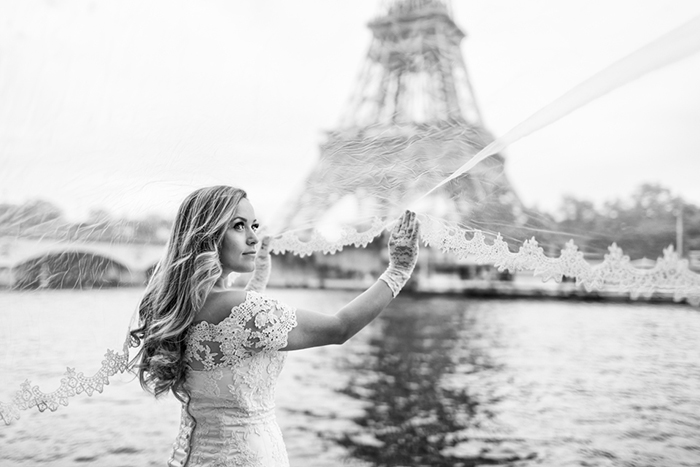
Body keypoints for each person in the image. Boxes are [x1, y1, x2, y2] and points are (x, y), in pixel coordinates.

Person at [128, 185, 420, 467]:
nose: (253, 238)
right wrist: (398, 271)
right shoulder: (242, 310)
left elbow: (236, 339)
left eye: (254, 226)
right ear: (208, 236)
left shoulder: (178, 308)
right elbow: (339, 328)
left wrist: (256, 284)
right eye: (239, 226)